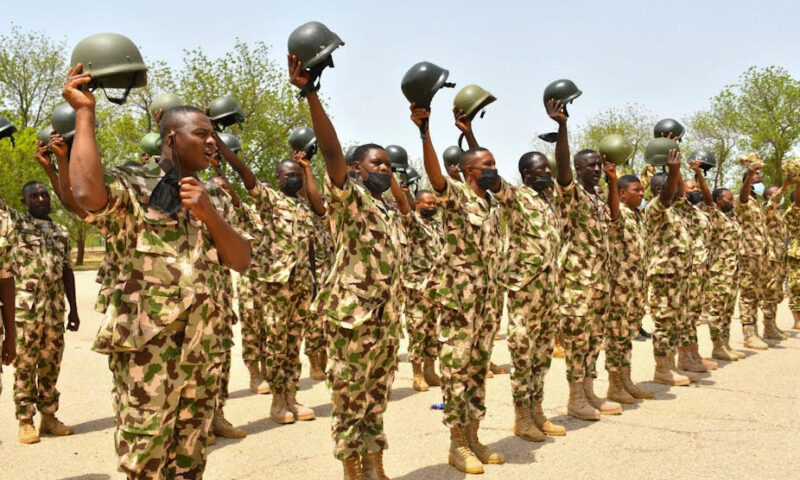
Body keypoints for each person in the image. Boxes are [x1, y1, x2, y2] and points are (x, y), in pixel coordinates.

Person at [64, 64, 251, 478]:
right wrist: (84, 114)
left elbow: (241, 260)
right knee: (145, 460)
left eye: (213, 134)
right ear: (171, 137)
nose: (211, 142)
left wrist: (210, 214)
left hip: (203, 353)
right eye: (201, 134)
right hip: (148, 353)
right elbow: (86, 193)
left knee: (190, 460)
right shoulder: (134, 182)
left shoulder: (216, 190)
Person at [289, 54, 409, 480]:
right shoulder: (350, 200)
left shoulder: (389, 209)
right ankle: (351, 466)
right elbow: (332, 151)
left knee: (377, 394)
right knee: (348, 395)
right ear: (357, 170)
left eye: (388, 166)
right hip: (353, 320)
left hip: (386, 321)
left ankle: (375, 461)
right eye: (376, 164)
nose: (384, 171)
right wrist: (311, 96)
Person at [412, 103, 503, 475]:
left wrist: (469, 134)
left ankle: (475, 435)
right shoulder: (456, 198)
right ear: (468, 174)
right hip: (459, 305)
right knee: (456, 374)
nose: (494, 171)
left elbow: (479, 160)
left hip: (487, 305)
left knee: (478, 373)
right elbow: (436, 177)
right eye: (487, 167)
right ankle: (457, 443)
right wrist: (425, 131)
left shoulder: (494, 202)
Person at [219, 136, 324, 425]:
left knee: (294, 345)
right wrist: (218, 140)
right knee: (278, 346)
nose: (293, 179)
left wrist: (308, 169)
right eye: (288, 175)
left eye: (297, 175)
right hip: (277, 285)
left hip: (302, 286)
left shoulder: (304, 206)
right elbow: (244, 173)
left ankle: (292, 397)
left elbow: (312, 240)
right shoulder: (269, 201)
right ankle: (278, 402)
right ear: (277, 179)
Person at [548, 99, 621, 420]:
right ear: (578, 170)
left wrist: (614, 179)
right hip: (576, 285)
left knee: (594, 341)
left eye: (597, 165)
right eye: (589, 165)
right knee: (577, 343)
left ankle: (590, 391)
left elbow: (615, 216)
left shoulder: (598, 198)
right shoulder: (571, 193)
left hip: (600, 283)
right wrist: (563, 126)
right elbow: (561, 167)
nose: (595, 169)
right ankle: (575, 398)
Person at [494, 149, 566, 440]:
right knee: (523, 355)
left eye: (548, 169)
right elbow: (496, 184)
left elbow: (565, 171)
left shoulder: (550, 200)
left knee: (542, 354)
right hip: (526, 290)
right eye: (541, 170)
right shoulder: (516, 198)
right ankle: (521, 417)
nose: (548, 174)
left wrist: (561, 126)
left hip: (550, 291)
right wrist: (470, 134)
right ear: (527, 175)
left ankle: (537, 410)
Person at [644, 151, 694, 386]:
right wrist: (673, 171)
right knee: (665, 322)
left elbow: (680, 195)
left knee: (676, 322)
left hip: (679, 276)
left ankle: (671, 365)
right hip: (664, 276)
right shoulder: (655, 208)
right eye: (671, 187)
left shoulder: (675, 210)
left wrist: (678, 169)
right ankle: (662, 369)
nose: (677, 192)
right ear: (659, 191)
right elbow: (666, 198)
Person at [605, 174, 654, 404]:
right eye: (637, 190)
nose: (642, 194)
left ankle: (626, 381)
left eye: (642, 190)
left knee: (627, 337)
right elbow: (612, 210)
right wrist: (611, 180)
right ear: (622, 193)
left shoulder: (638, 216)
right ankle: (614, 385)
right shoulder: (617, 213)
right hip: (620, 288)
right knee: (616, 337)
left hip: (636, 288)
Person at [403, 189, 445, 392]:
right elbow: (406, 209)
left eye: (434, 204)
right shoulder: (412, 223)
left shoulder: (438, 226)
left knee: (433, 330)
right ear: (418, 204)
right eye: (427, 203)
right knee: (417, 328)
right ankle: (417, 374)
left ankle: (430, 370)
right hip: (417, 285)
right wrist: (406, 195)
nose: (432, 207)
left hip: (437, 286)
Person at [677, 166, 718, 372]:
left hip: (702, 270)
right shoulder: (681, 209)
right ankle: (684, 357)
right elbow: (678, 188)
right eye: (691, 188)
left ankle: (694, 354)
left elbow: (710, 200)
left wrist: (700, 176)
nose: (697, 191)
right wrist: (676, 165)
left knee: (694, 315)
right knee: (686, 315)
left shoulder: (701, 212)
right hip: (689, 270)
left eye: (697, 188)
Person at [735, 158, 772, 349]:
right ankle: (749, 333)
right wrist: (749, 174)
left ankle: (757, 330)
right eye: (756, 183)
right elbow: (742, 196)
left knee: (757, 293)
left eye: (760, 182)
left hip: (760, 256)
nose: (760, 185)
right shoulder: (743, 200)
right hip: (748, 255)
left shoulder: (758, 204)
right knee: (748, 294)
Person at [707, 188, 745, 361]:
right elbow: (708, 201)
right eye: (729, 199)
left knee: (728, 309)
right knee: (717, 309)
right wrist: (699, 173)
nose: (733, 201)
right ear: (718, 200)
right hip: (719, 270)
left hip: (733, 269)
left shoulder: (732, 217)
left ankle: (726, 343)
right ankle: (717, 346)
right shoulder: (714, 215)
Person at [761, 181, 791, 342]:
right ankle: (768, 327)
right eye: (778, 193)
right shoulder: (768, 209)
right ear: (769, 197)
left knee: (777, 293)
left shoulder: (779, 212)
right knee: (770, 293)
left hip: (780, 257)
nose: (782, 196)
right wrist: (786, 185)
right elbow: (773, 202)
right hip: (771, 258)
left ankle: (772, 323)